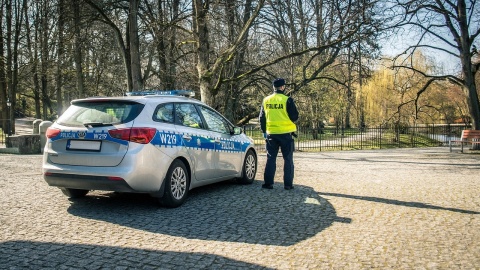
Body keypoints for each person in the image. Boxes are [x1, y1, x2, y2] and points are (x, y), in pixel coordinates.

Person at [259, 78, 299, 190]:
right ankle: (288, 184)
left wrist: (264, 131)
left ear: (273, 87)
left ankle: (268, 183)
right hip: (286, 134)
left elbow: (262, 118)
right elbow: (294, 117)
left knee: (271, 158)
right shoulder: (287, 100)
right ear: (282, 87)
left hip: (271, 133)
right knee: (288, 159)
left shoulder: (266, 100)